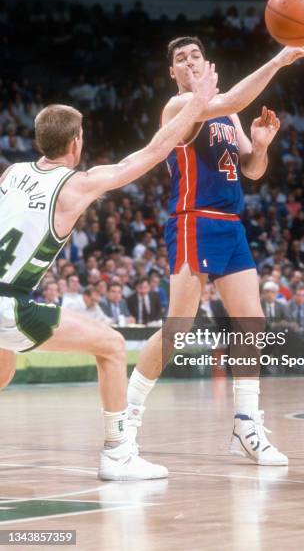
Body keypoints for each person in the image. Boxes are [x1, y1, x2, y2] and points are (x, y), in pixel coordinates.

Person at [0, 62, 218, 480]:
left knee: (4, 367)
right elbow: (152, 153)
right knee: (113, 346)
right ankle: (118, 453)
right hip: (10, 301)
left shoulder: (12, 173)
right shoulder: (77, 184)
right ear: (77, 141)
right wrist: (198, 106)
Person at [127, 36, 304, 467]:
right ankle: (126, 421)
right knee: (177, 329)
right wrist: (280, 60)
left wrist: (262, 145)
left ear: (206, 61)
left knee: (251, 323)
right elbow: (228, 97)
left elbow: (252, 171)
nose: (189, 61)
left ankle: (246, 426)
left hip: (231, 225)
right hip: (194, 219)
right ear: (171, 73)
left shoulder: (229, 112)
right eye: (179, 58)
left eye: (195, 54)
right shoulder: (180, 108)